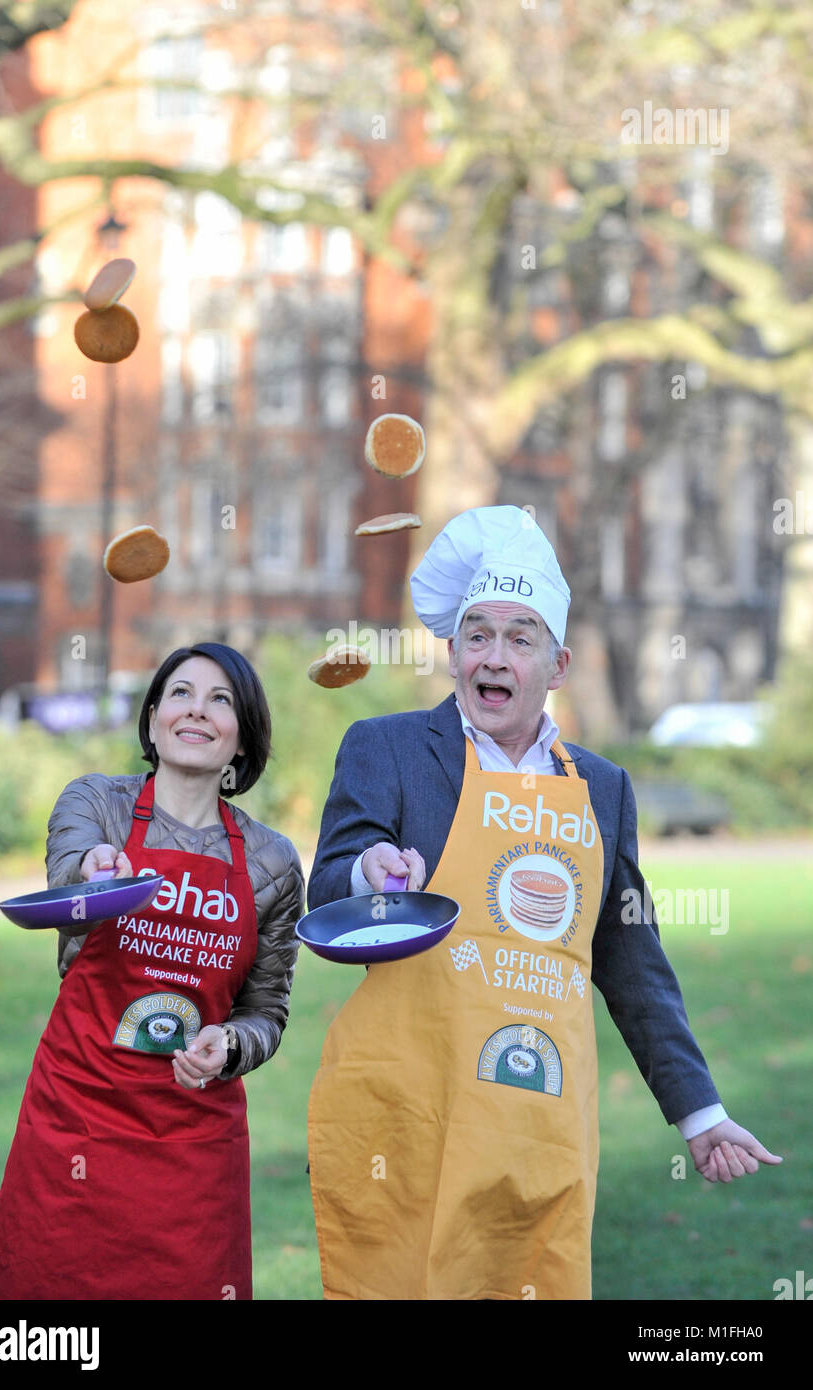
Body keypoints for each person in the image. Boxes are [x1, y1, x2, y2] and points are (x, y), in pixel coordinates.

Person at [306, 506, 781, 1301]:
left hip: (536, 1109)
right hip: (408, 1103)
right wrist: (368, 873)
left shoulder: (600, 787)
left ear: (555, 664)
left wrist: (697, 1113)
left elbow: (630, 957)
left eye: (518, 639)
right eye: (478, 635)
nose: (493, 656)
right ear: (453, 651)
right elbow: (324, 892)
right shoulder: (385, 748)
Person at [0, 642, 303, 1301]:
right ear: (153, 717)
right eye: (180, 693)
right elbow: (65, 885)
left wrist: (232, 1044)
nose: (197, 711)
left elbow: (266, 1009)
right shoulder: (95, 804)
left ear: (242, 740)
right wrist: (95, 874)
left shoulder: (271, 862)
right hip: (79, 1117)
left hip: (192, 1144)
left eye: (221, 700)